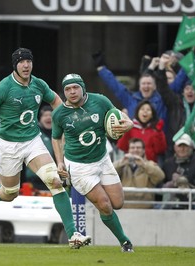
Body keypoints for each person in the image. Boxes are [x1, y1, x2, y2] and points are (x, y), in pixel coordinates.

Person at [0, 48, 91, 249]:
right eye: (21, 61)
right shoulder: (3, 88)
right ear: (15, 65)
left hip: (32, 141)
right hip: (8, 146)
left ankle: (73, 235)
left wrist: (69, 120)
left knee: (55, 181)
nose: (26, 65)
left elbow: (56, 101)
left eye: (29, 61)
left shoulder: (39, 84)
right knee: (10, 193)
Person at [52, 73, 135, 252]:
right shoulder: (59, 113)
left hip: (103, 159)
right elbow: (56, 138)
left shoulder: (100, 101)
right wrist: (59, 162)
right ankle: (125, 242)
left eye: (75, 87)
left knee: (118, 203)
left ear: (82, 87)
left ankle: (95, 200)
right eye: (67, 89)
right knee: (105, 204)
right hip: (80, 167)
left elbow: (120, 116)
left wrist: (129, 124)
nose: (72, 92)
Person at [113, 138, 165, 209]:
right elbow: (108, 174)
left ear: (143, 151)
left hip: (145, 208)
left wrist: (144, 165)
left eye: (138, 148)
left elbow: (161, 177)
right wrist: (121, 163)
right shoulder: (122, 164)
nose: (135, 150)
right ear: (128, 150)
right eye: (132, 148)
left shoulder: (150, 165)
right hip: (124, 208)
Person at [161, 134, 195, 209]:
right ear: (175, 147)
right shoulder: (168, 163)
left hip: (193, 201)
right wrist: (170, 183)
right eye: (180, 146)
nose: (182, 149)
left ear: (191, 147)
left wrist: (186, 180)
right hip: (171, 201)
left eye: (185, 146)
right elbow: (161, 183)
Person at [24, 105, 54, 192]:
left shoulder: (60, 135)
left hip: (55, 181)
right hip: (35, 182)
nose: (48, 117)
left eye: (51, 115)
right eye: (45, 115)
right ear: (40, 119)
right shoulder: (33, 134)